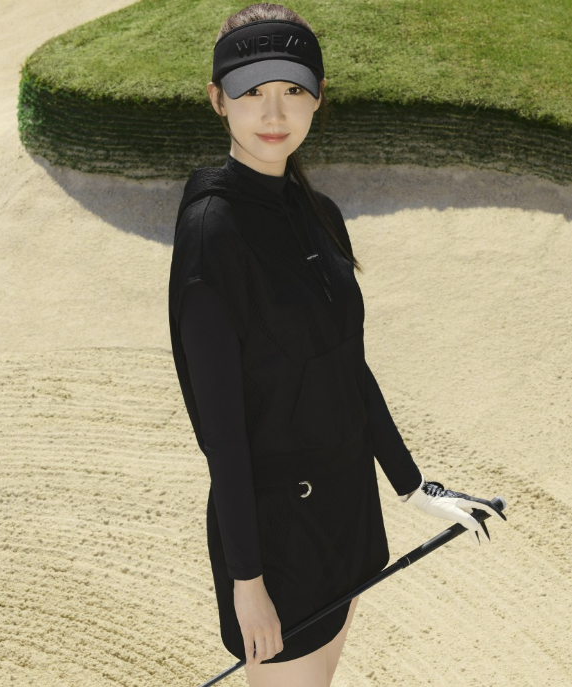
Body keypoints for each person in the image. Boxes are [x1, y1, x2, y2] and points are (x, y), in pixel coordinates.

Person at [167, 5, 505, 686]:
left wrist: (412, 485)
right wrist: (247, 582)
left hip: (346, 510)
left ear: (318, 96)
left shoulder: (318, 213)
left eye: (293, 89)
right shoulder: (211, 235)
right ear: (217, 99)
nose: (274, 112)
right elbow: (221, 434)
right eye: (252, 91)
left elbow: (347, 363)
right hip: (277, 544)